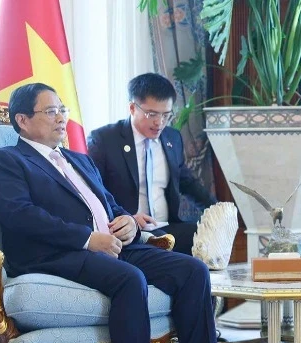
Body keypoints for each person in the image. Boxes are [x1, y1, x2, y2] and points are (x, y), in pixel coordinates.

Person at [0, 83, 248, 343]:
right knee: (128, 279)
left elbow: (109, 204)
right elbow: (19, 215)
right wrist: (86, 239)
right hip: (53, 255)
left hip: (112, 245)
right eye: (51, 111)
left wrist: (128, 223)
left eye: (62, 110)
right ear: (22, 119)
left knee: (192, 270)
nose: (62, 118)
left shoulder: (77, 159)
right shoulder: (6, 161)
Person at [87, 73, 217, 255]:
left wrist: (217, 210)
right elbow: (94, 190)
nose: (159, 122)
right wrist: (127, 218)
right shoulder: (104, 140)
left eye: (166, 115)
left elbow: (187, 182)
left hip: (166, 226)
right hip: (129, 232)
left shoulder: (172, 138)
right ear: (132, 108)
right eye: (152, 114)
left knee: (203, 236)